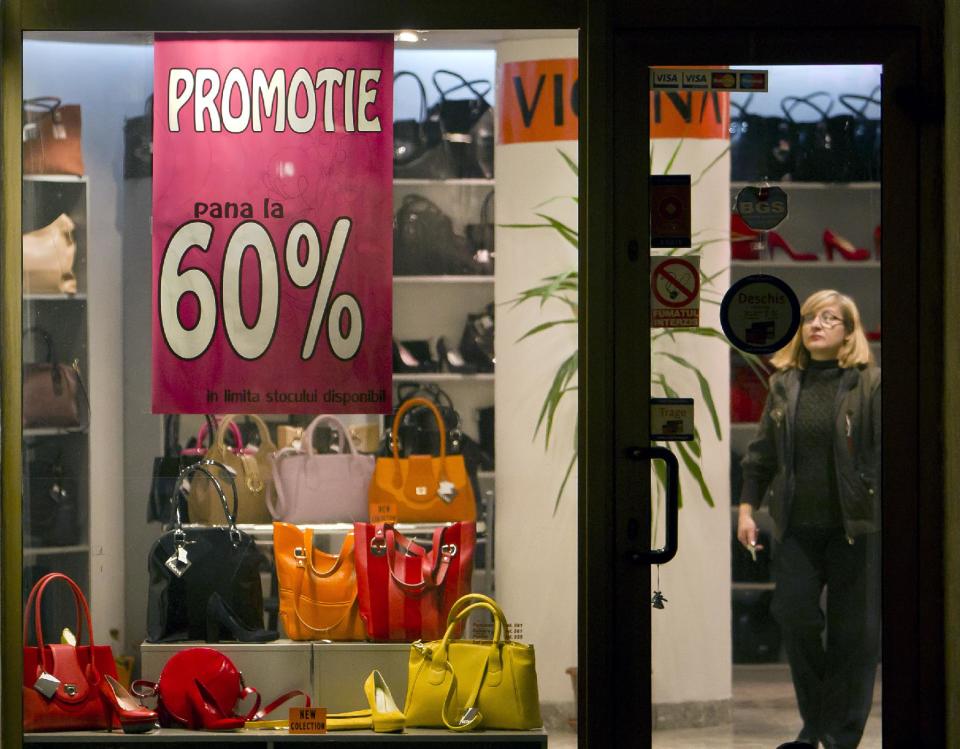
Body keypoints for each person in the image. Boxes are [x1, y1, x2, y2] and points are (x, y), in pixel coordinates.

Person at [737, 289, 880, 749]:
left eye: (829, 318)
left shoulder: (869, 383)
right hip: (797, 524)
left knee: (852, 634)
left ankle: (838, 735)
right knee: (795, 617)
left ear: (848, 331)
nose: (817, 324)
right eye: (810, 318)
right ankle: (817, 725)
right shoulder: (785, 383)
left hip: (854, 526)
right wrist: (746, 509)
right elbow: (760, 454)